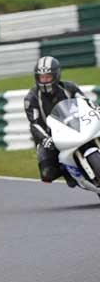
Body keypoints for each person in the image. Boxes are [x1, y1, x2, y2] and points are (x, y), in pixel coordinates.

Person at [24, 56, 85, 186]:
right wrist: (45, 139)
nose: (45, 80)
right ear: (37, 78)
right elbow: (34, 123)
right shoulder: (32, 98)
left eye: (48, 77)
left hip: (76, 126)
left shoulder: (69, 88)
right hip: (51, 137)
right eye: (42, 77)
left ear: (56, 76)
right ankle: (67, 170)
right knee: (47, 174)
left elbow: (86, 102)